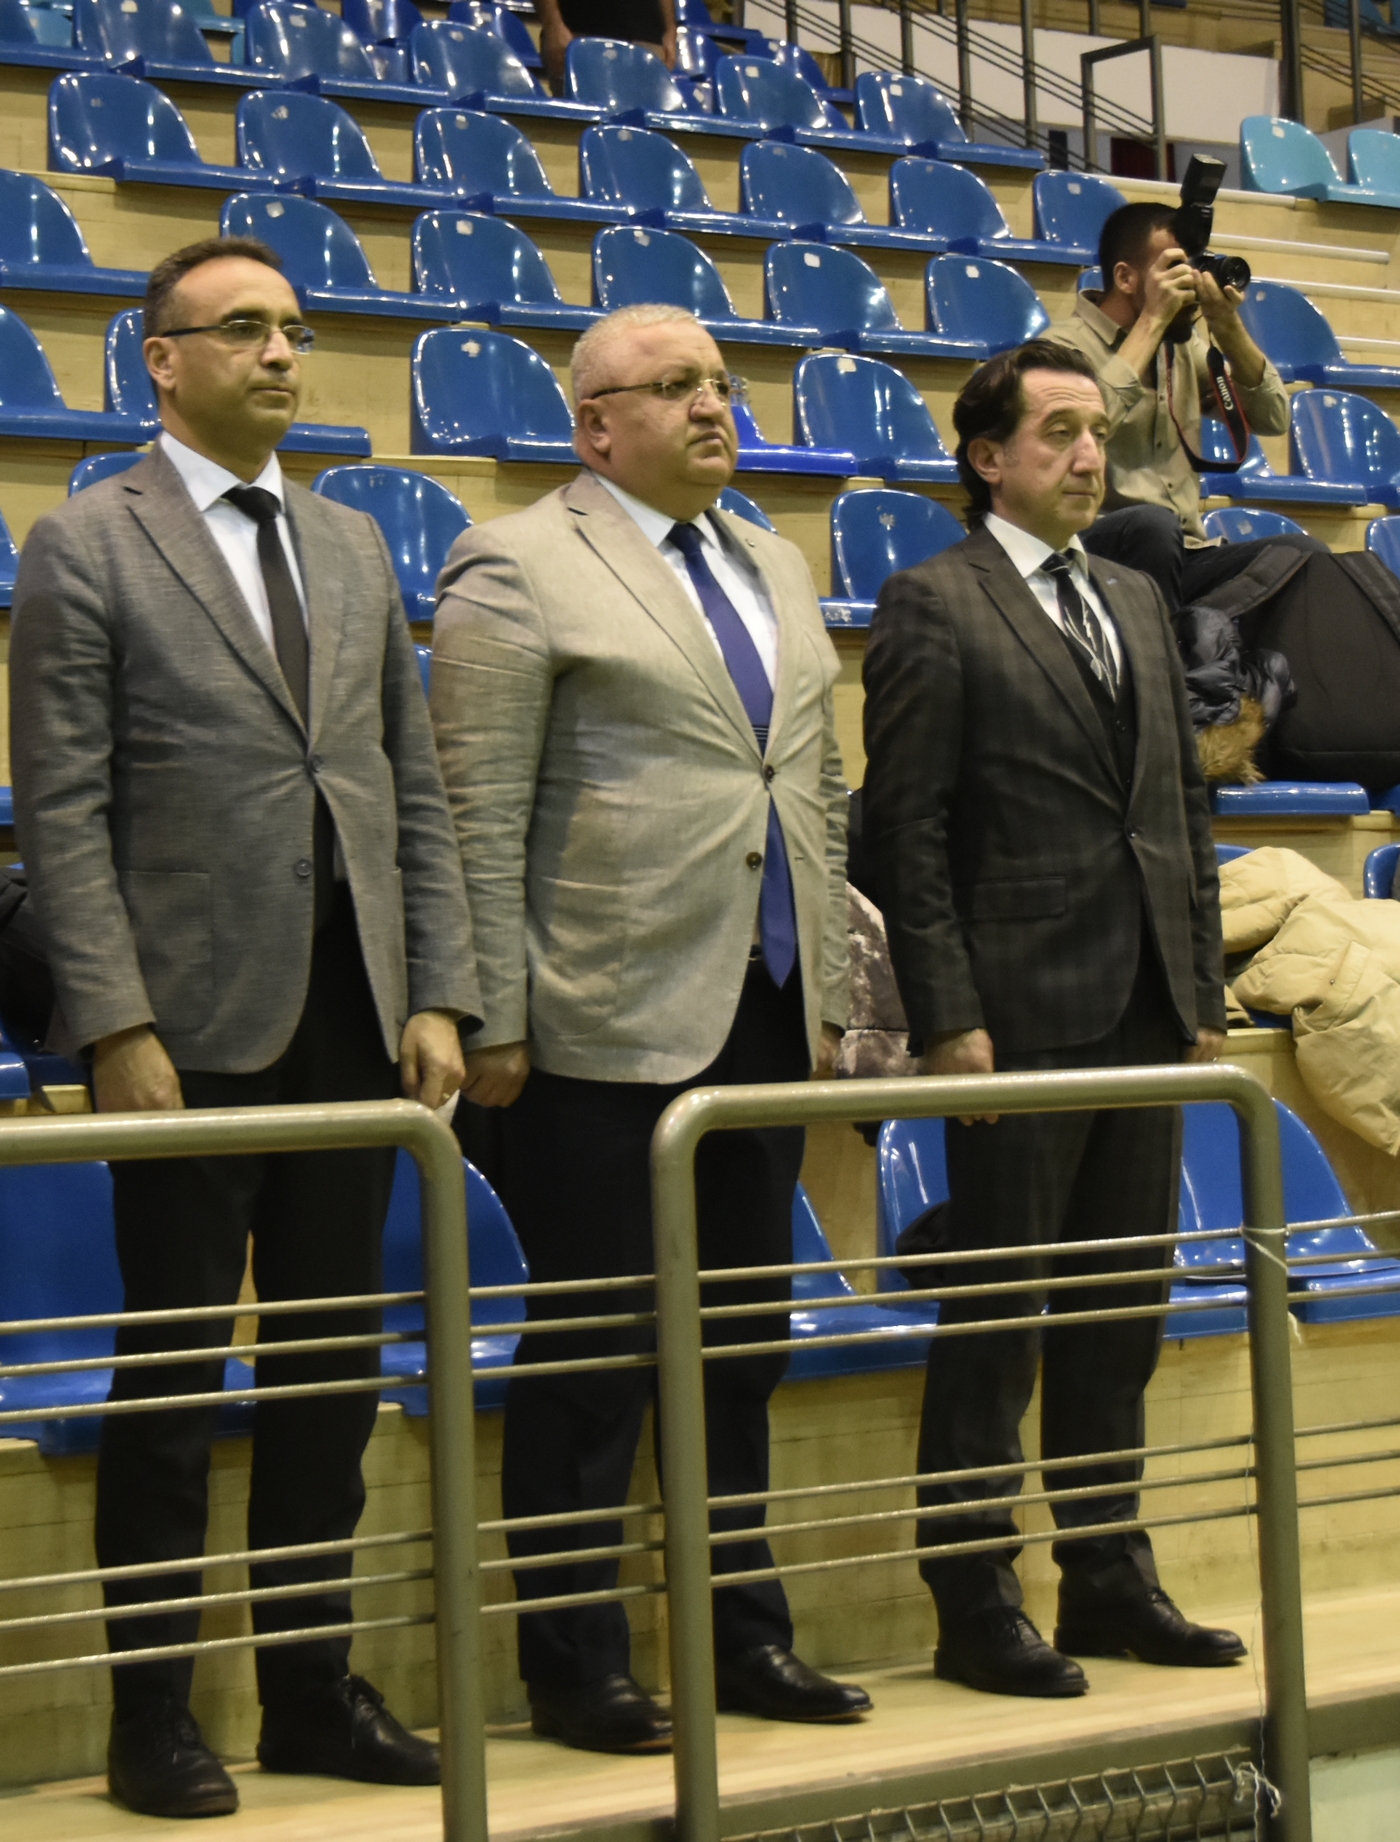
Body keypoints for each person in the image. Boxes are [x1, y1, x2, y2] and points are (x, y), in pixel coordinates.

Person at [9, 236, 480, 1820]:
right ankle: (151, 1714)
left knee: (330, 1376)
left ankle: (308, 1689)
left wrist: (435, 985)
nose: (282, 353)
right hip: (186, 1029)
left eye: (293, 328)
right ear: (162, 359)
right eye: (244, 329)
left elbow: (409, 787)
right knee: (170, 1380)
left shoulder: (350, 543)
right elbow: (62, 812)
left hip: (354, 1018)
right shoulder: (87, 541)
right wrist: (112, 1020)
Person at [430, 302, 869, 1755]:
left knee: (740, 1348)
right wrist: (491, 1013)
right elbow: (477, 807)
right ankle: (576, 1667)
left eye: (719, 381)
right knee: (596, 1358)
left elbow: (812, 792)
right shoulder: (516, 558)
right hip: (591, 1029)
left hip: (763, 1011)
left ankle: (741, 1635)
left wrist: (832, 996)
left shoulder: (773, 559)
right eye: (672, 385)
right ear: (594, 426)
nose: (709, 405)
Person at [861, 340, 1246, 1699]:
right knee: (1000, 1318)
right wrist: (946, 1013)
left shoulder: (1135, 594)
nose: (1091, 455)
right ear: (988, 459)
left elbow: (1181, 808)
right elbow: (903, 827)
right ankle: (974, 1598)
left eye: (1097, 432)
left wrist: (1198, 983)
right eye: (1060, 433)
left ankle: (1107, 1575)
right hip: (1014, 1017)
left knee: (1119, 1311)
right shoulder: (933, 599)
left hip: (1145, 1003)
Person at [1046, 201, 1325, 611]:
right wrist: (1152, 322)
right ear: (1125, 277)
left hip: (1184, 551)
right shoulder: (1059, 349)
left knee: (1304, 556)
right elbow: (1083, 430)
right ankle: (1160, 652)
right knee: (1152, 524)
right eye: (1174, 267)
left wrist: (1227, 325)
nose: (1189, 280)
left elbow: (1273, 417)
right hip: (1093, 549)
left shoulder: (1182, 349)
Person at [537, 0, 676, 88]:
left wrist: (670, 29)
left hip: (648, 37)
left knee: (648, 123)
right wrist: (552, 25)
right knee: (584, 119)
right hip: (580, 31)